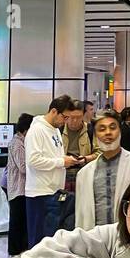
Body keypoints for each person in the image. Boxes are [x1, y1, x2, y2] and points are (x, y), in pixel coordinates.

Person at [75, 108, 130, 229]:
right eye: (102, 129)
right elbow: (80, 216)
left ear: (120, 130)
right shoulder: (84, 174)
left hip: (129, 237)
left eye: (112, 127)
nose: (108, 133)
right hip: (95, 239)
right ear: (95, 135)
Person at [25, 95, 77, 248]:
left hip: (54, 191)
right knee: (38, 244)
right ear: (54, 111)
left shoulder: (54, 130)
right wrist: (61, 162)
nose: (66, 122)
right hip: (39, 193)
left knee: (51, 242)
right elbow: (33, 160)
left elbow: (52, 156)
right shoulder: (37, 130)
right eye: (65, 117)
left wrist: (67, 160)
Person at [56, 100, 97, 231]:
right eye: (71, 117)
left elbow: (99, 152)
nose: (74, 121)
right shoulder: (58, 130)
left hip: (83, 174)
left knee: (82, 208)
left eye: (78, 117)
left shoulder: (90, 130)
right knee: (63, 208)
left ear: (83, 115)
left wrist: (85, 158)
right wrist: (64, 160)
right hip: (63, 176)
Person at [4, 113, 32, 258]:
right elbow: (22, 167)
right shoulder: (17, 143)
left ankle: (20, 248)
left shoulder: (22, 142)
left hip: (22, 188)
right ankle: (14, 251)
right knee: (16, 220)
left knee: (21, 220)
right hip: (17, 188)